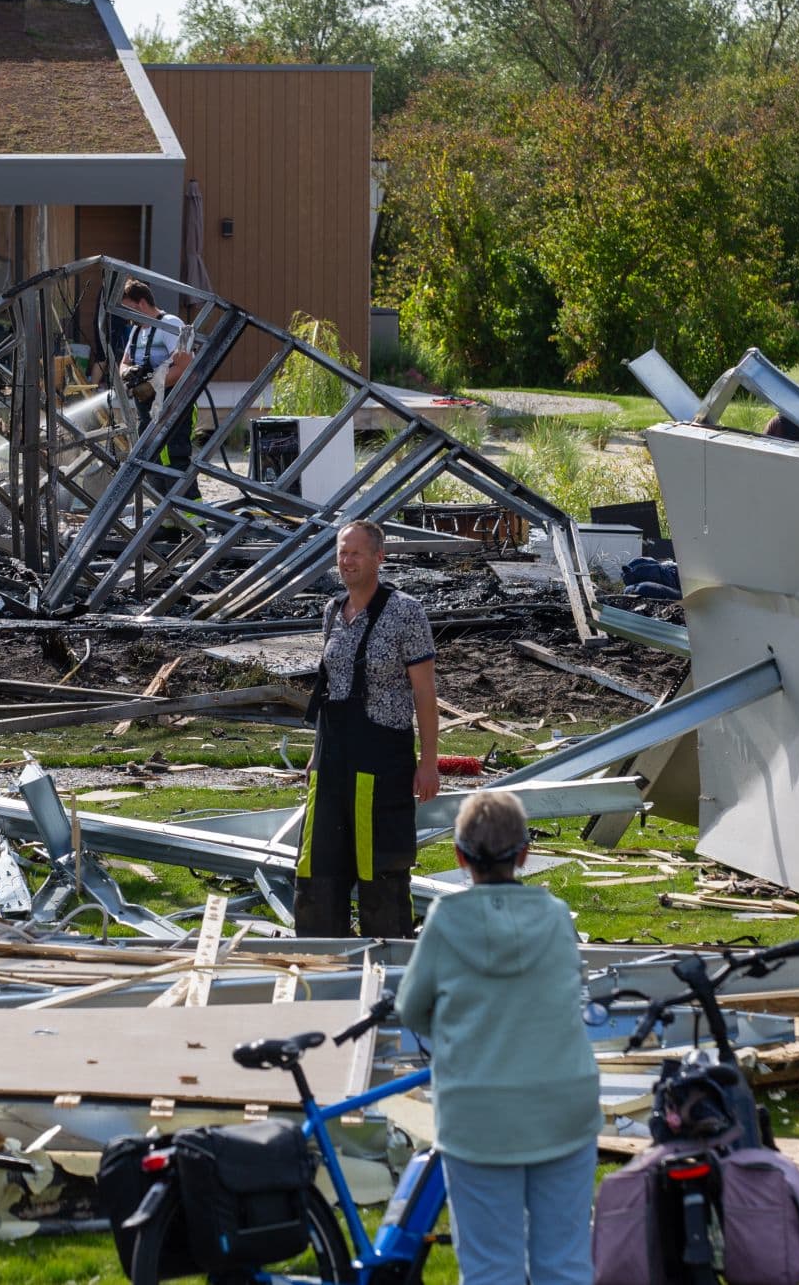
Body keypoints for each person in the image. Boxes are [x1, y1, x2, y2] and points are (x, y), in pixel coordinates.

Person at [398, 790, 599, 1285]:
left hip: (477, 1114)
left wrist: (456, 1037)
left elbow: (411, 1007)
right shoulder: (555, 915)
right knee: (566, 1264)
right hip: (563, 1107)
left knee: (491, 1268)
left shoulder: (445, 922)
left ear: (460, 856)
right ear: (526, 852)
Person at [294, 519, 441, 938]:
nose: (347, 560)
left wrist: (428, 763)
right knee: (318, 864)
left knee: (380, 868)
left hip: (382, 761)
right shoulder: (332, 612)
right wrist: (315, 757)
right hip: (333, 761)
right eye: (342, 552)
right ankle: (321, 965)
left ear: (379, 557)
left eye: (356, 552)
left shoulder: (406, 612)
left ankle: (389, 963)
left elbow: (425, 695)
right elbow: (329, 689)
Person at [113, 279, 199, 499]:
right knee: (152, 458)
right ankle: (167, 522)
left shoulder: (175, 325)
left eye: (127, 307)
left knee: (174, 458)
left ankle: (192, 520)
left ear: (141, 304)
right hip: (148, 409)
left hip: (175, 404)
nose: (126, 315)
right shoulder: (136, 332)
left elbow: (186, 367)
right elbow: (123, 362)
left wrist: (152, 386)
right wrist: (126, 373)